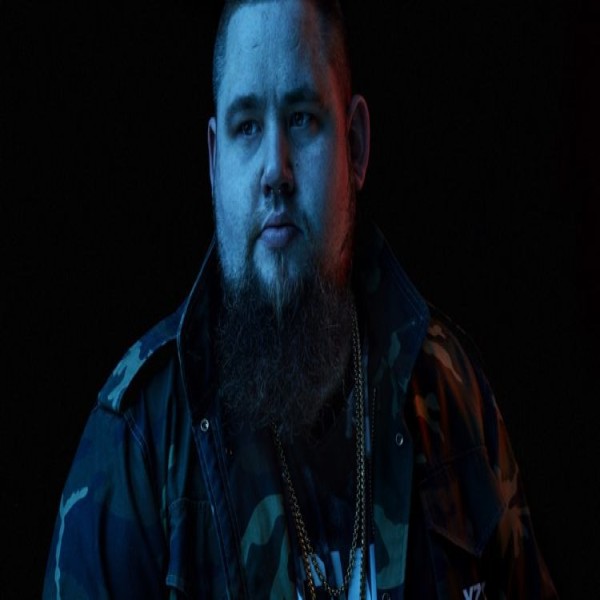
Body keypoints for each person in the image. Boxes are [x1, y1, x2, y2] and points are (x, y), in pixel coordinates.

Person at [43, 0, 558, 598]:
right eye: (246, 126)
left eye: (302, 118)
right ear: (214, 160)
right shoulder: (139, 438)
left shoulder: (447, 389)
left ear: (355, 146)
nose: (275, 170)